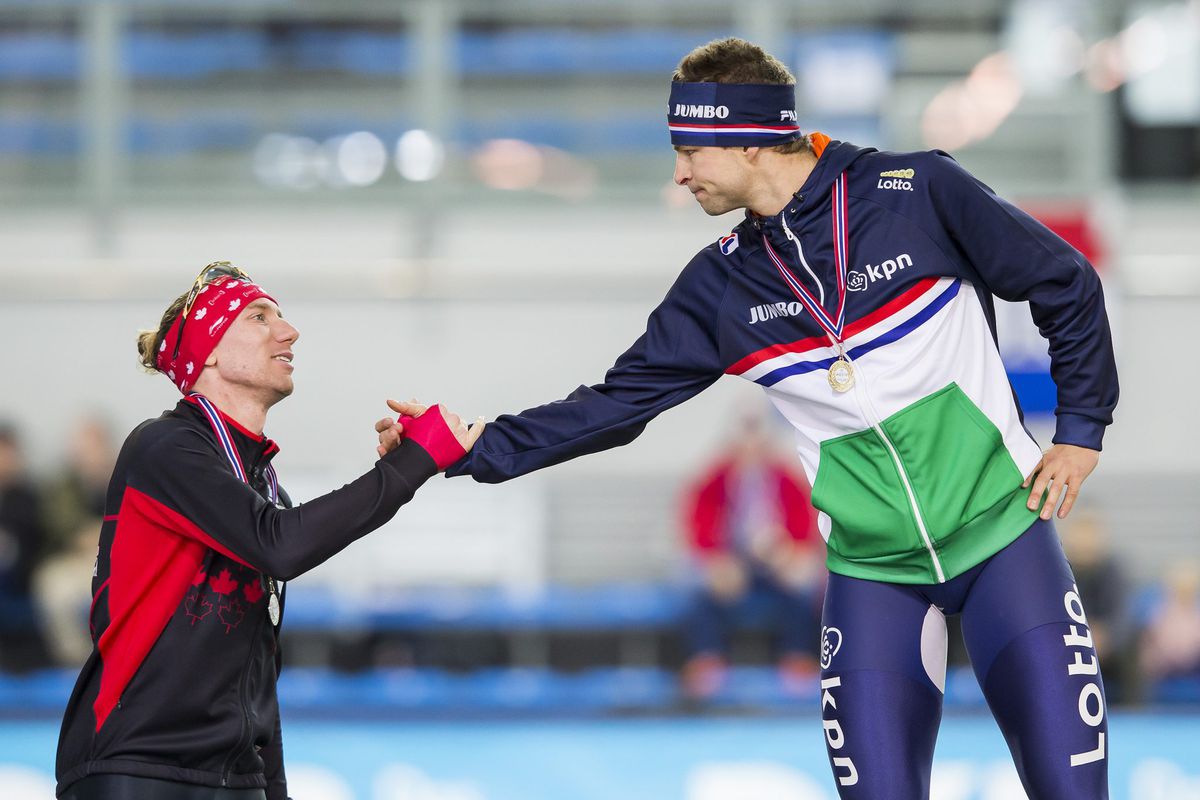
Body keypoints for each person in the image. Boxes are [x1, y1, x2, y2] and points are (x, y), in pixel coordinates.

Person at [379, 37, 1119, 798]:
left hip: (1005, 543)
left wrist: (1081, 430)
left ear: (749, 136)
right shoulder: (719, 285)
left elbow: (1065, 281)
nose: (679, 172)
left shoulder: (918, 191)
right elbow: (614, 406)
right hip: (873, 578)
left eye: (689, 150)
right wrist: (467, 448)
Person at [56, 262, 483, 800]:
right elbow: (281, 544)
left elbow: (256, 660)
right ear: (208, 350)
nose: (289, 331)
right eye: (260, 317)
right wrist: (411, 464)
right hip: (139, 766)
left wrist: (271, 785)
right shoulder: (164, 446)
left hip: (234, 775)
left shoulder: (263, 489)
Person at [679, 412, 823, 698]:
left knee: (803, 589)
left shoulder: (786, 479)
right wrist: (716, 561)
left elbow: (805, 526)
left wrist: (790, 554)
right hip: (731, 563)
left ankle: (796, 657)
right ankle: (707, 658)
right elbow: (698, 525)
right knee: (698, 592)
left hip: (775, 564)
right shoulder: (715, 479)